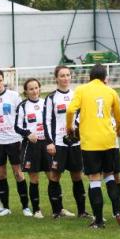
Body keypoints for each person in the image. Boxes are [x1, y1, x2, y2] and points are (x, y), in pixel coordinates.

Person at [66, 64, 120, 229]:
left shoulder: (82, 90)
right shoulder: (111, 91)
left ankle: (99, 221)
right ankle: (118, 213)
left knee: (94, 179)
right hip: (108, 140)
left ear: (90, 77)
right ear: (105, 78)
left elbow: (71, 110)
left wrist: (69, 127)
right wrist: (118, 130)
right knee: (109, 176)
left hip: (90, 143)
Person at [0, 69, 31, 217]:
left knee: (18, 172)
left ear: (3, 80)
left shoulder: (13, 96)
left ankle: (25, 207)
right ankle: (6, 207)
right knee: (0, 173)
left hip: (14, 139)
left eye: (0, 80)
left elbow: (22, 115)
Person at [44, 66, 84, 218]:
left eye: (68, 75)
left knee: (77, 176)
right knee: (54, 176)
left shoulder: (77, 95)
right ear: (56, 78)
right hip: (58, 144)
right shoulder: (51, 97)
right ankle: (57, 211)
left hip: (74, 144)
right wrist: (49, 142)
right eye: (62, 75)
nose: (65, 78)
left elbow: (82, 115)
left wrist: (76, 131)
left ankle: (82, 211)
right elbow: (46, 121)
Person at [15, 78, 48, 218]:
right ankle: (36, 209)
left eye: (36, 88)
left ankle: (58, 209)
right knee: (34, 178)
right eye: (31, 89)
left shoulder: (46, 103)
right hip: (31, 145)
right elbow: (17, 127)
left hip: (47, 144)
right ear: (26, 91)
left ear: (40, 89)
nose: (34, 91)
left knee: (52, 176)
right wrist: (28, 134)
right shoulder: (22, 106)